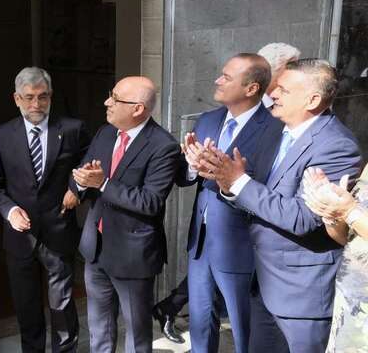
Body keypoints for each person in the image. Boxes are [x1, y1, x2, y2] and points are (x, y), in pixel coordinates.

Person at [196, 59, 362, 352]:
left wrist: (239, 182)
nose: (273, 95)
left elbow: (304, 218)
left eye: (283, 90)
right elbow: (256, 195)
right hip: (263, 281)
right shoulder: (277, 130)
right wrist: (226, 181)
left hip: (301, 294)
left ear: (312, 99)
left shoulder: (336, 146)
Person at [0, 67, 89, 352]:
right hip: (20, 238)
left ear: (50, 96)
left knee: (63, 306)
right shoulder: (3, 135)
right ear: (16, 98)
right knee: (27, 310)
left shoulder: (71, 129)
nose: (36, 105)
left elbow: (88, 168)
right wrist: (9, 210)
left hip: (59, 231)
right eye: (28, 98)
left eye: (42, 97)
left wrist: (76, 189)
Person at [72, 76, 180, 353]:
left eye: (116, 98)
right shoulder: (105, 133)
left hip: (133, 255)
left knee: (136, 332)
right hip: (95, 249)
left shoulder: (163, 146)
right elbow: (83, 172)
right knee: (99, 329)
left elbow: (151, 201)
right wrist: (81, 183)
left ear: (138, 109)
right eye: (111, 94)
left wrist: (103, 184)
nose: (107, 102)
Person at [177, 53, 276, 353]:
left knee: (243, 326)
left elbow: (268, 188)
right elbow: (185, 176)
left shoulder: (274, 128)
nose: (218, 81)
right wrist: (194, 166)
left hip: (240, 242)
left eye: (226, 77)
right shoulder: (208, 119)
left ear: (251, 89)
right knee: (200, 319)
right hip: (201, 241)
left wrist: (226, 177)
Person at [302, 166, 368, 352]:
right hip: (351, 307)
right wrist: (331, 211)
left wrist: (349, 211)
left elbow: (353, 214)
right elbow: (346, 238)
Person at [257, 43, 301, 108]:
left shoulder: (297, 99)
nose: (297, 73)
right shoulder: (247, 104)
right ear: (270, 70)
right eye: (291, 68)